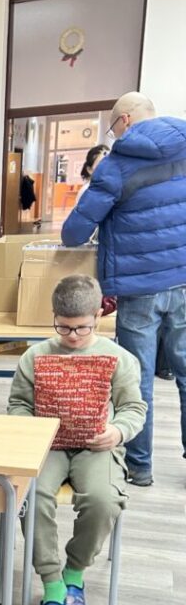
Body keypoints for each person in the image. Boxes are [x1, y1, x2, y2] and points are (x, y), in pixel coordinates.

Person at [8, 275, 146, 605]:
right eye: (64, 327)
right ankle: (52, 584)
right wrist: (33, 428)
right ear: (54, 317)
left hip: (96, 446)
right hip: (48, 446)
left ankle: (75, 572)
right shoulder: (35, 356)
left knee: (103, 500)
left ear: (99, 315)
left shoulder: (119, 358)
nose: (72, 336)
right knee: (31, 494)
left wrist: (117, 431)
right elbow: (18, 404)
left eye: (82, 328)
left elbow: (134, 408)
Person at [62, 91, 186, 487]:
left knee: (137, 377)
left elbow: (75, 231)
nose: (114, 134)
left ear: (126, 120)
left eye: (114, 126)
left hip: (139, 287)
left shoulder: (117, 165)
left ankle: (140, 466)